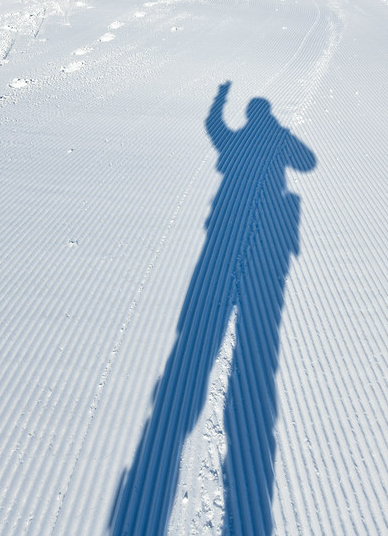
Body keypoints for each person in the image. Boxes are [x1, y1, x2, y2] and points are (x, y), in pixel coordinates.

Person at [112, 81, 316, 535]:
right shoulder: (270, 137)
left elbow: (214, 129)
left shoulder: (240, 136)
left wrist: (220, 101)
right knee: (253, 344)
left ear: (250, 113)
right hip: (253, 229)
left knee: (196, 337)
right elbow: (308, 162)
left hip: (223, 223)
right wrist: (280, 134)